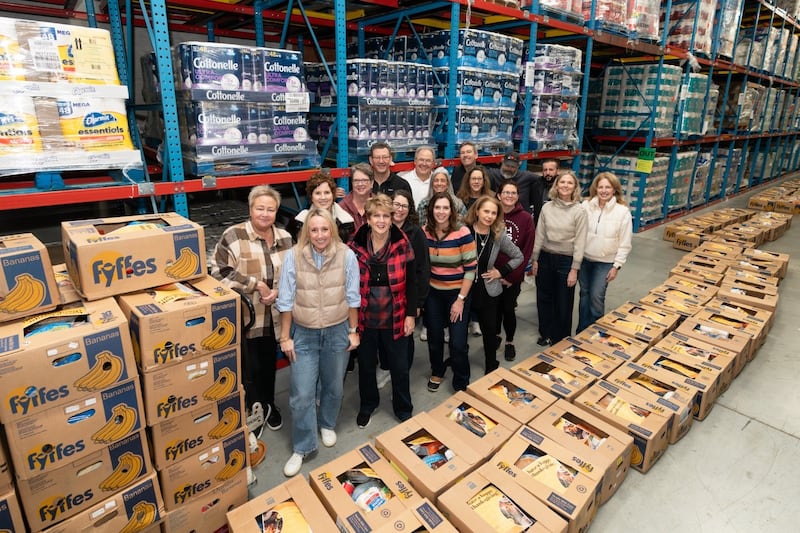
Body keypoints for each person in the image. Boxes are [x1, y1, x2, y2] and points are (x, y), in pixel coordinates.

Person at [276, 208, 361, 477]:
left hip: (337, 331)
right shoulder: (293, 256)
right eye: (314, 230)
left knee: (334, 385)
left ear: (332, 230)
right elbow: (286, 299)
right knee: (301, 393)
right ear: (306, 232)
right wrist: (285, 336)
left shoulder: (347, 255)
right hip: (304, 332)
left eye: (325, 229)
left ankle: (326, 423)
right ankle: (302, 446)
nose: (320, 235)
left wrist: (353, 329)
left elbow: (353, 296)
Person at [210, 185, 291, 438]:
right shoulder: (233, 236)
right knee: (250, 370)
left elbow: (295, 272)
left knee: (269, 366)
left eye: (270, 209)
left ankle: (269, 406)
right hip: (248, 318)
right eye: (260, 209)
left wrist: (278, 291)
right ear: (250, 208)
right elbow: (218, 271)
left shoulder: (285, 237)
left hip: (276, 317)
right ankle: (254, 413)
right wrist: (255, 285)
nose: (265, 214)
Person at [350, 194, 417, 428]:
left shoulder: (402, 242)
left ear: (391, 218)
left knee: (400, 367)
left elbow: (413, 281)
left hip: (395, 316)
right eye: (376, 215)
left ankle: (403, 407)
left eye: (385, 216)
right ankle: (368, 404)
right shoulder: (355, 243)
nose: (381, 220)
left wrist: (411, 314)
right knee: (366, 366)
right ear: (367, 219)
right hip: (366, 318)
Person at [424, 192, 477, 392]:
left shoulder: (462, 233)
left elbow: (471, 269)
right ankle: (437, 370)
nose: (441, 212)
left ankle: (462, 378)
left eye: (445, 208)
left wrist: (460, 299)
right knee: (434, 338)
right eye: (437, 207)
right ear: (431, 210)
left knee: (458, 342)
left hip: (458, 293)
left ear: (452, 211)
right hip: (434, 295)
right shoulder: (425, 232)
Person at [464, 195, 523, 374]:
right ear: (477, 211)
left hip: (487, 289)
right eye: (486, 211)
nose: (489, 216)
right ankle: (458, 358)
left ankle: (491, 365)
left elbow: (518, 256)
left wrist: (501, 271)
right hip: (464, 288)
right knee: (458, 331)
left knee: (490, 332)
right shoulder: (463, 231)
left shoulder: (498, 234)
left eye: (493, 213)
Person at [531, 171, 587, 345]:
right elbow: (539, 234)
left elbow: (580, 241)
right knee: (544, 298)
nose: (565, 185)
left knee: (563, 301)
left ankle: (560, 338)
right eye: (562, 182)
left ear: (575, 187)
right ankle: (545, 332)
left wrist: (574, 269)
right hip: (545, 257)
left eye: (570, 183)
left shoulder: (580, 211)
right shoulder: (547, 207)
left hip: (566, 260)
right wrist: (535, 259)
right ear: (556, 185)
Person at [577, 171, 633, 332]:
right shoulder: (586, 206)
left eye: (608, 187)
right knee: (584, 295)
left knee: (596, 297)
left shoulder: (622, 212)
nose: (603, 190)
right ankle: (581, 332)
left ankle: (595, 332)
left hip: (605, 262)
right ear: (595, 188)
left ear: (614, 189)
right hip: (585, 259)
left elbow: (625, 243)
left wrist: (617, 266)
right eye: (600, 187)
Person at [495, 179, 536, 361]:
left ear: (517, 196)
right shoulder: (492, 214)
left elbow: (526, 250)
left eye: (513, 193)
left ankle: (509, 341)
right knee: (493, 309)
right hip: (492, 275)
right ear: (498, 195)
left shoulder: (526, 218)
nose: (509, 196)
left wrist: (511, 276)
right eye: (506, 192)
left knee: (508, 309)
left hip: (513, 275)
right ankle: (495, 335)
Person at [392, 190, 430, 368]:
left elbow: (423, 269)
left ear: (410, 210)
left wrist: (418, 303)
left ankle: (403, 370)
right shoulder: (382, 228)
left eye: (404, 206)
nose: (400, 209)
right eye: (396, 204)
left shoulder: (416, 233)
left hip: (408, 296)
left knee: (406, 336)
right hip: (387, 296)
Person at [292, 170, 356, 243]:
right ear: (311, 197)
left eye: (327, 192)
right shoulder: (300, 222)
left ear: (333, 195)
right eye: (318, 193)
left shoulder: (346, 222)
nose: (323, 197)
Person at [488, 151, 535, 216]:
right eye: (507, 165)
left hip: (521, 220)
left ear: (519, 165)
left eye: (513, 167)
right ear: (502, 161)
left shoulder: (527, 177)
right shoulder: (492, 174)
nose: (509, 169)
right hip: (497, 217)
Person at [339, 163, 374, 232]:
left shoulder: (380, 205)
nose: (360, 184)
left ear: (372, 183)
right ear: (352, 183)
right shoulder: (341, 208)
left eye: (364, 180)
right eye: (356, 180)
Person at [531, 158, 560, 225]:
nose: (548, 173)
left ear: (557, 171)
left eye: (551, 170)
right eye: (545, 170)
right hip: (539, 224)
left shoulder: (562, 187)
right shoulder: (536, 185)